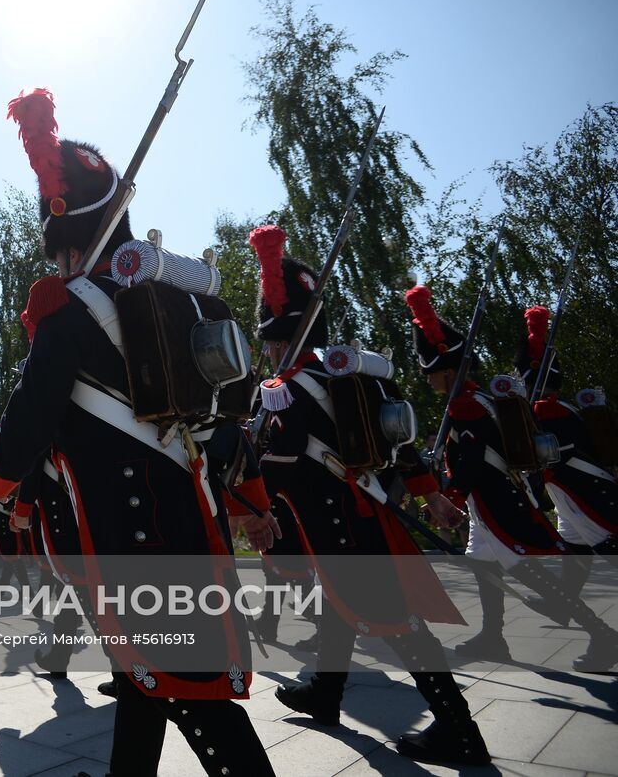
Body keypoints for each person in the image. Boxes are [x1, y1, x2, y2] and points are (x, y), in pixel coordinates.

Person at [0, 89, 275, 775]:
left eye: (60, 251)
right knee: (147, 681)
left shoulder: (68, 315)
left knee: (194, 695)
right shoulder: (177, 303)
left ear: (69, 241)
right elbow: (224, 422)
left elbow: (32, 412)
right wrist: (250, 503)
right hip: (191, 517)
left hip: (132, 533)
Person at [248, 226, 489, 765]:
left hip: (335, 523)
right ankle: (325, 693)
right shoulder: (360, 374)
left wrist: (252, 508)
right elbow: (401, 443)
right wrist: (432, 496)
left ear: (276, 335)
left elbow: (280, 463)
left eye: (268, 340)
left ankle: (460, 732)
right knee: (343, 603)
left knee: (399, 624)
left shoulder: (285, 390)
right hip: (368, 510)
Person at [407, 286, 618, 672]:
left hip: (495, 501)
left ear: (449, 371)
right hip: (489, 501)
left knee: (529, 573)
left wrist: (448, 499)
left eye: (431, 373)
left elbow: (472, 462)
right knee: (482, 564)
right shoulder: (477, 400)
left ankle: (602, 634)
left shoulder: (467, 405)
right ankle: (493, 636)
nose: (428, 381)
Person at [521, 308, 618, 608]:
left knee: (605, 545)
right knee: (575, 547)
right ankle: (562, 604)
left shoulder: (544, 410)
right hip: (569, 490)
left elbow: (545, 458)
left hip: (579, 489)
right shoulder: (557, 406)